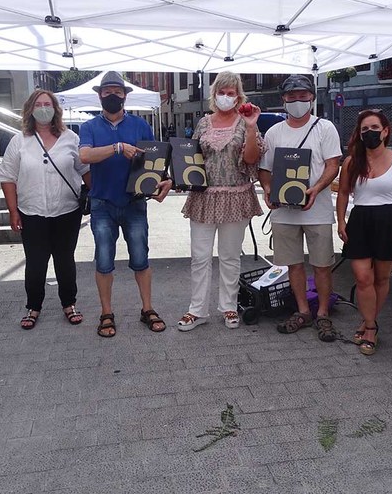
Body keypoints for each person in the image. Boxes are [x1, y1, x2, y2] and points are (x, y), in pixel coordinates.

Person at [79, 71, 173, 338]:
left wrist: (164, 181)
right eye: (107, 92)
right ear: (99, 95)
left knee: (141, 259)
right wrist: (118, 147)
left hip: (134, 202)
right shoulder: (89, 127)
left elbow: (154, 161)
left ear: (125, 96)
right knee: (104, 261)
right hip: (102, 203)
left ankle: (147, 308)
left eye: (117, 92)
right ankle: (106, 313)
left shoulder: (140, 126)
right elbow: (85, 155)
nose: (112, 96)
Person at [177, 71, 264, 332]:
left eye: (231, 92)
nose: (226, 96)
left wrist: (250, 127)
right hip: (203, 197)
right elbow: (190, 157)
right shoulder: (203, 123)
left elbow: (251, 159)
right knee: (200, 256)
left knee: (229, 256)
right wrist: (178, 178)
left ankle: (228, 306)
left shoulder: (246, 122)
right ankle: (197, 310)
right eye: (221, 92)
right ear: (214, 94)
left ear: (238, 95)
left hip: (235, 197)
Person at [0, 89, 91, 330]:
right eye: (38, 104)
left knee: (65, 261)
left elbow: (84, 170)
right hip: (32, 212)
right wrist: (13, 211)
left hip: (66, 211)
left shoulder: (71, 138)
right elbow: (7, 177)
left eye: (47, 104)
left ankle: (69, 303)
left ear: (56, 109)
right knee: (36, 262)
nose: (43, 108)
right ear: (30, 109)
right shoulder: (19, 141)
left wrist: (98, 196)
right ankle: (33, 306)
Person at [258, 75, 342, 343]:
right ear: (283, 99)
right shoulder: (274, 132)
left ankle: (324, 313)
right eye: (292, 97)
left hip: (316, 209)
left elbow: (333, 164)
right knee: (293, 265)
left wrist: (316, 189)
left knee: (322, 265)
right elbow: (264, 169)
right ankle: (303, 311)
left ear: (312, 97)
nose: (297, 101)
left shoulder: (325, 128)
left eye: (303, 96)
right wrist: (268, 190)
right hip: (284, 211)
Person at [336, 110, 392, 356]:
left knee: (382, 278)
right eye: (363, 130)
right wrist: (340, 221)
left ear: (385, 130)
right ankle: (371, 326)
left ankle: (368, 321)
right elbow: (342, 193)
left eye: (373, 127)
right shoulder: (352, 161)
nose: (369, 132)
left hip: (389, 221)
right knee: (362, 277)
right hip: (360, 220)